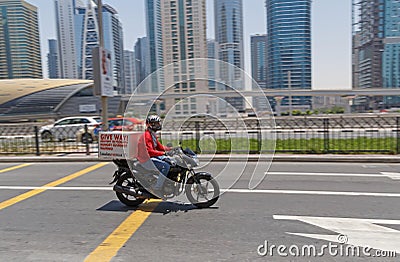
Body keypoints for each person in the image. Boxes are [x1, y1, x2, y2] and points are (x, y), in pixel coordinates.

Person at [137, 115, 171, 193]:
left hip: (150, 157)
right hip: (145, 159)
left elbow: (159, 147)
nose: (159, 125)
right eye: (156, 123)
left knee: (170, 161)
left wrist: (171, 149)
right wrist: (163, 153)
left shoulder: (152, 134)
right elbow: (149, 151)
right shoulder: (147, 135)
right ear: (151, 124)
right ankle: (157, 188)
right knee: (166, 166)